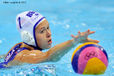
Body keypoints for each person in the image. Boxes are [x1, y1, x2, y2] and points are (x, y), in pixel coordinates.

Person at [0, 11, 99, 68]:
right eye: (42, 31)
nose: (49, 34)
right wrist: (74, 42)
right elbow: (49, 56)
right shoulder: (26, 55)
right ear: (28, 37)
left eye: (48, 27)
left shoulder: (18, 46)